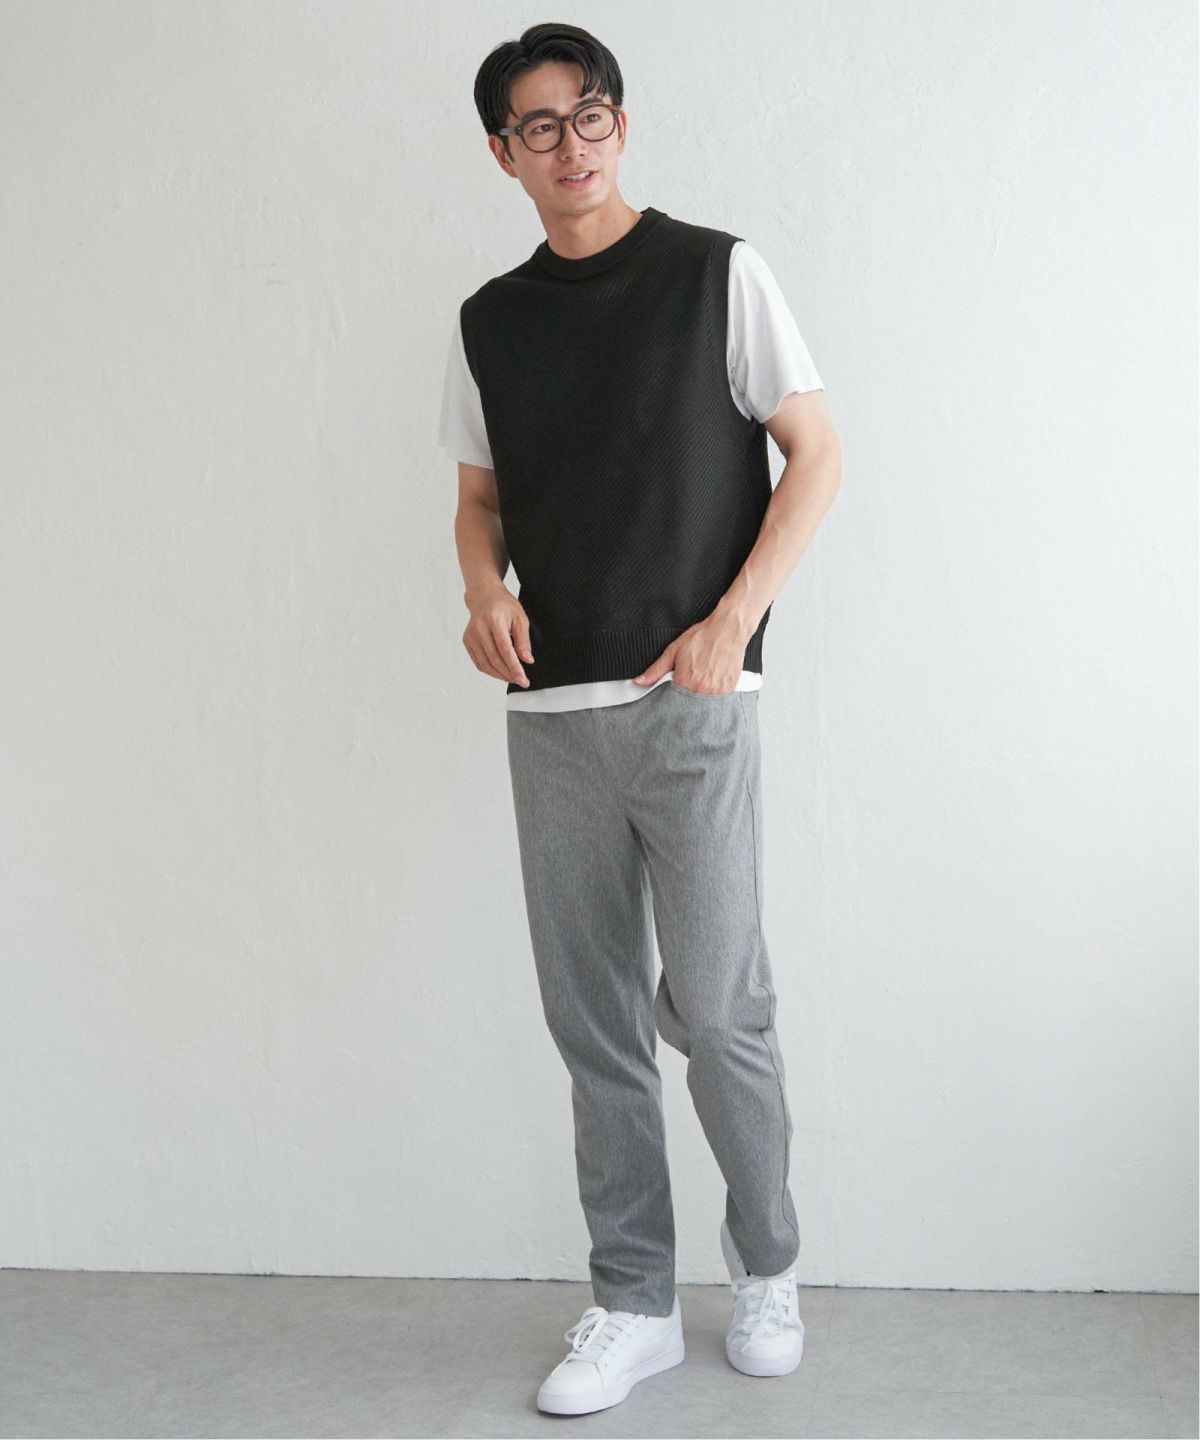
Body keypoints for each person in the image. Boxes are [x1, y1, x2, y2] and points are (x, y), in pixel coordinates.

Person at [437, 22, 842, 1418]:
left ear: (620, 120)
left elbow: (816, 451)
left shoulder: (716, 273)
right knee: (595, 1024)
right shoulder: (490, 321)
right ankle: (634, 1300)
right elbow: (477, 499)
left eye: (590, 111)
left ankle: (769, 1265)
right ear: (504, 153)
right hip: (552, 715)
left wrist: (734, 623)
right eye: (539, 125)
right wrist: (480, 591)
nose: (573, 142)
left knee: (719, 1010)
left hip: (692, 704)